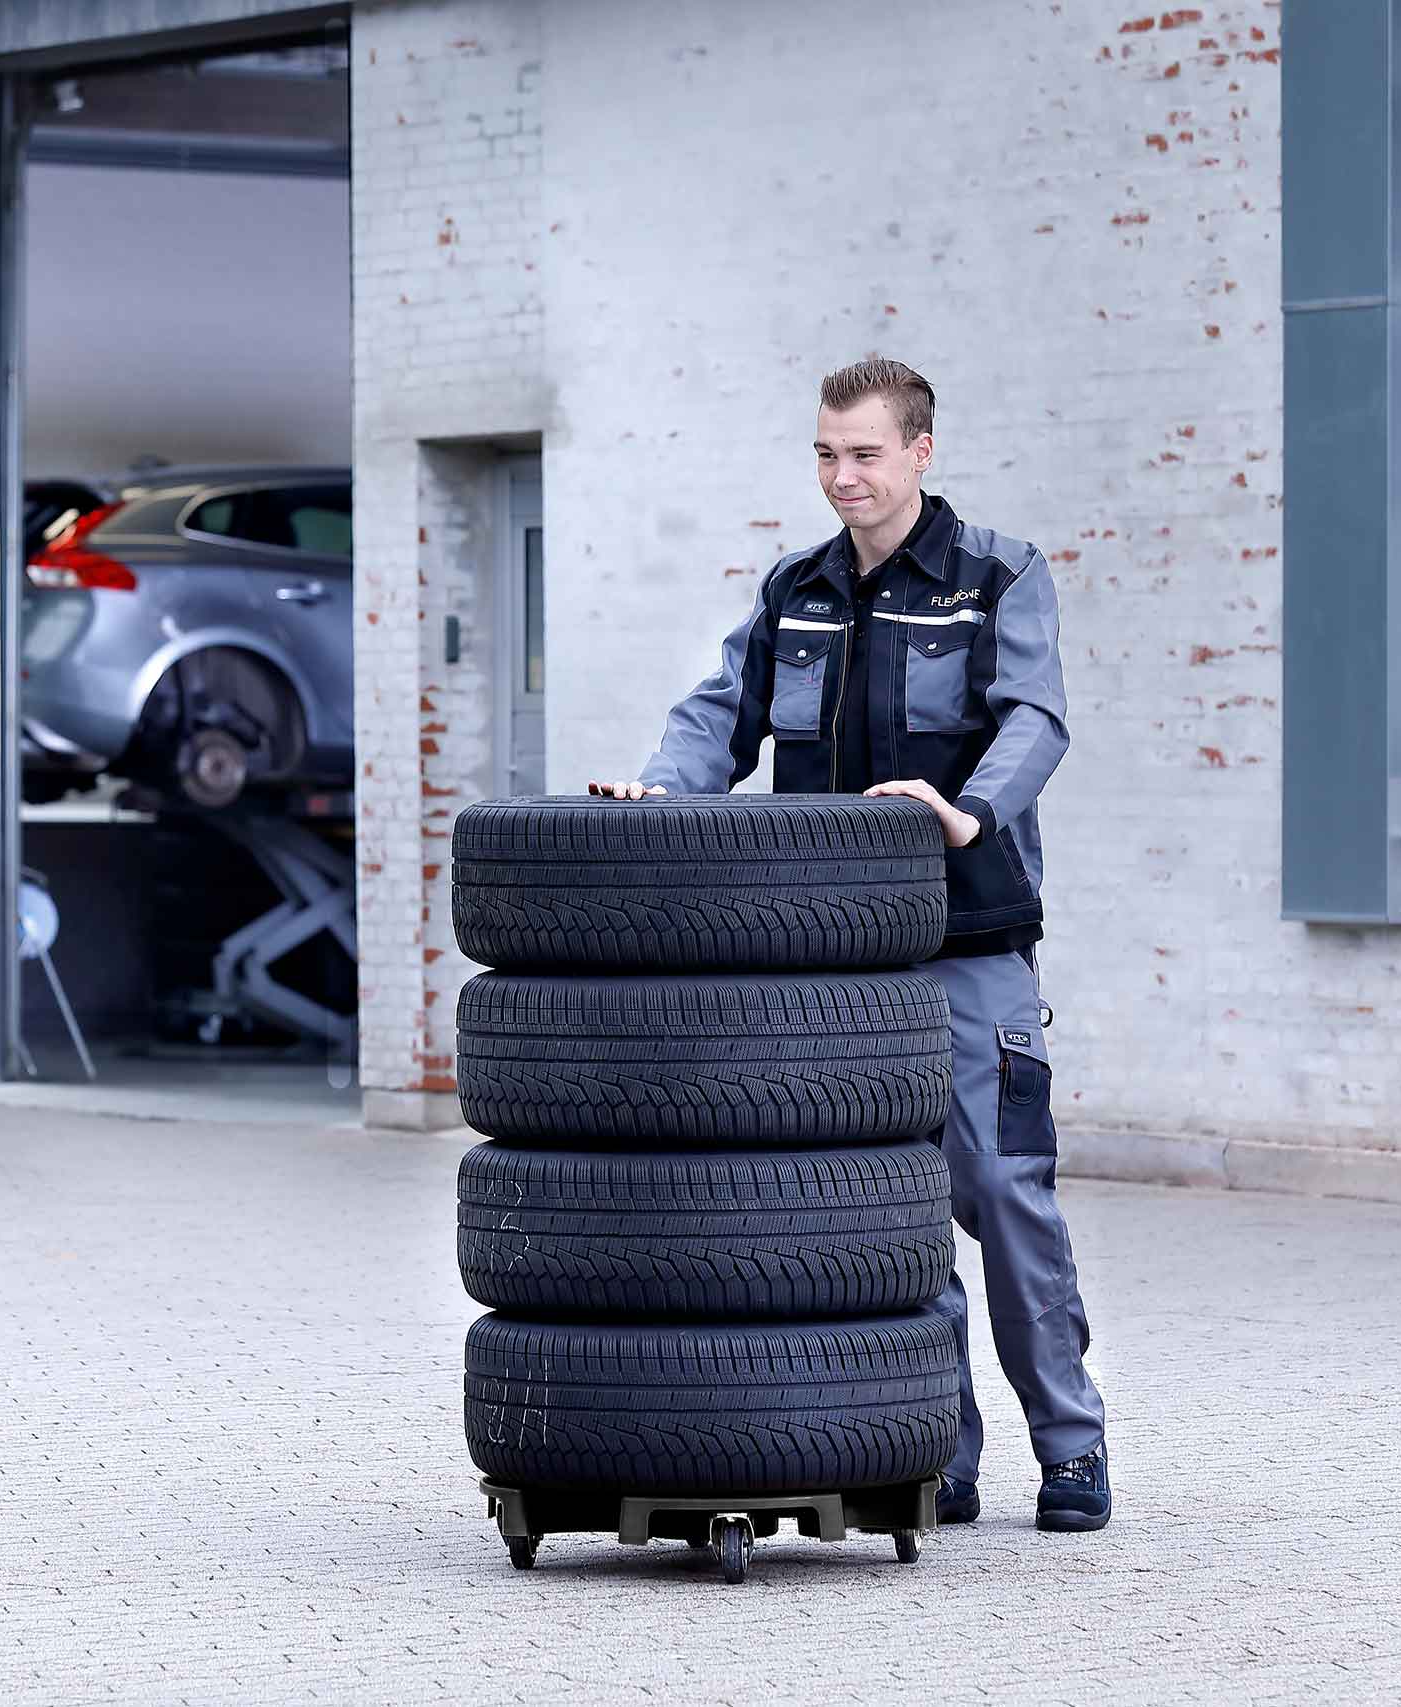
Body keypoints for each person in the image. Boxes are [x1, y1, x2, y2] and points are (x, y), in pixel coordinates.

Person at [586, 358, 1110, 1532]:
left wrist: (969, 809)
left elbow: (1036, 715)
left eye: (864, 453)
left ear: (921, 450)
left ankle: (1070, 1449)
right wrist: (663, 792)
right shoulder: (797, 591)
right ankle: (937, 1447)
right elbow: (717, 713)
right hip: (825, 975)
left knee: (997, 1194)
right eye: (825, 453)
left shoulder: (996, 576)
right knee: (883, 1216)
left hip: (967, 945)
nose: (841, 477)